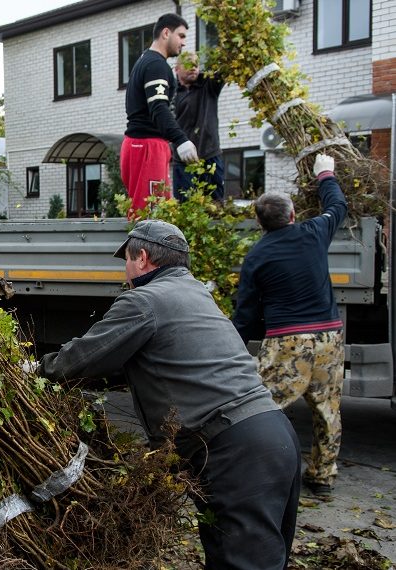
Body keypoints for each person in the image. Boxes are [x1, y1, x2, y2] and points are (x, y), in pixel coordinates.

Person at [38, 219, 300, 569]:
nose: (126, 272)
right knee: (266, 558)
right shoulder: (196, 294)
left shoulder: (144, 300)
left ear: (142, 258)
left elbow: (81, 359)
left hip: (237, 452)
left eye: (127, 261)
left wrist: (36, 370)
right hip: (274, 435)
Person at [232, 154, 347, 497]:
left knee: (264, 408)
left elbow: (248, 314)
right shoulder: (315, 232)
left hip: (287, 343)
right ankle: (323, 478)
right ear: (294, 216)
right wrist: (325, 173)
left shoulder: (256, 256)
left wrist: (232, 345)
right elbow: (337, 204)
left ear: (260, 223)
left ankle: (256, 475)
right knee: (327, 408)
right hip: (328, 338)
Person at [122, 13, 199, 218]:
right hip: (147, 145)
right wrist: (181, 139)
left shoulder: (145, 61)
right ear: (166, 32)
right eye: (181, 36)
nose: (183, 43)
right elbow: (158, 107)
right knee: (149, 216)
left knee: (153, 213)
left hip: (140, 144)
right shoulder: (156, 65)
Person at [172, 52, 225, 202]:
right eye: (188, 64)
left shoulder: (208, 85)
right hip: (183, 159)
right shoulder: (172, 93)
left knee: (216, 205)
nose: (194, 68)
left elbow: (225, 69)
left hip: (210, 155)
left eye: (196, 64)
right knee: (185, 205)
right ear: (177, 69)